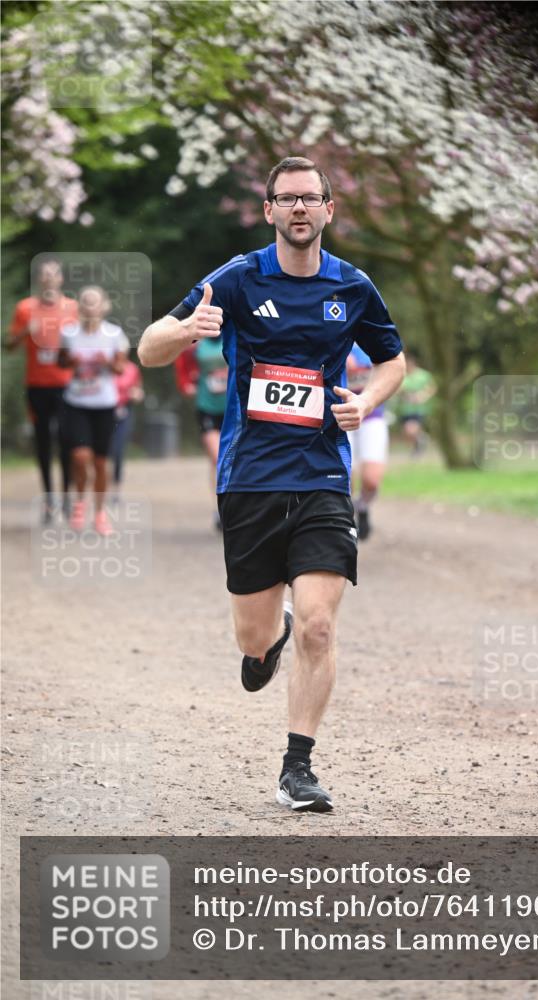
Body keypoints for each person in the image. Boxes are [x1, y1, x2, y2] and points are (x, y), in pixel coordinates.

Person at [138, 156, 405, 812]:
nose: (298, 209)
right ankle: (266, 643)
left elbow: (392, 360)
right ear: (268, 211)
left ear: (327, 210)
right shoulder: (235, 278)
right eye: (286, 199)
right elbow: (146, 348)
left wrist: (366, 403)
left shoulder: (352, 286)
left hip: (319, 475)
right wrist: (183, 330)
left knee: (318, 624)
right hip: (250, 478)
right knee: (255, 638)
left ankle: (298, 766)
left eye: (310, 198)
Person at [6, 259, 78, 520]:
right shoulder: (25, 309)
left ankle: (68, 498)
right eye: (44, 275)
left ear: (60, 279)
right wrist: (25, 331)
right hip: (37, 386)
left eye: (53, 274)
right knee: (43, 442)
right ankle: (49, 501)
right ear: (39, 280)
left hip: (67, 385)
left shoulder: (72, 308)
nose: (49, 279)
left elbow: (84, 341)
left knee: (68, 441)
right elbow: (9, 344)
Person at [58, 286, 129, 536]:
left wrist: (107, 362)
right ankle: (80, 501)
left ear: (103, 306)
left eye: (94, 302)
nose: (90, 307)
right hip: (75, 403)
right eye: (86, 302)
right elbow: (61, 361)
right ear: (80, 306)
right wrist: (72, 362)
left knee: (100, 462)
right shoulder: (69, 333)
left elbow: (121, 368)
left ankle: (99, 514)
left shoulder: (114, 334)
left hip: (104, 405)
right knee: (79, 457)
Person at [174, 335, 228, 531]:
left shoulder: (234, 336)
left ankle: (231, 505)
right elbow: (181, 363)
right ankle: (221, 508)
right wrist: (186, 384)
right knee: (218, 458)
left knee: (231, 459)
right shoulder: (197, 346)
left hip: (233, 407)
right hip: (207, 407)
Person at [346, 342, 389, 540]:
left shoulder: (372, 331)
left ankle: (362, 506)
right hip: (340, 415)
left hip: (371, 415)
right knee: (345, 476)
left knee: (371, 479)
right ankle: (347, 517)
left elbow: (391, 363)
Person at [110, 357, 144, 502]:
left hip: (124, 413)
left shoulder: (132, 369)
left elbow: (139, 393)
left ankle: (116, 489)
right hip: (104, 412)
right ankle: (102, 487)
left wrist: (135, 395)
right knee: (104, 452)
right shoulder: (106, 366)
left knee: (118, 451)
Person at [395, 351, 436, 455]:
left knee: (411, 430)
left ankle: (421, 440)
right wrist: (403, 394)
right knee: (406, 433)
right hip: (404, 409)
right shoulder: (401, 375)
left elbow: (432, 388)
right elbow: (397, 390)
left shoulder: (423, 375)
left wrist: (422, 396)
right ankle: (419, 443)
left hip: (419, 409)